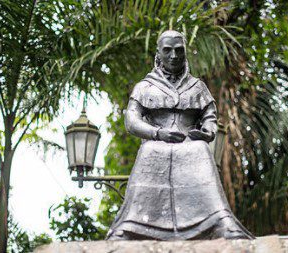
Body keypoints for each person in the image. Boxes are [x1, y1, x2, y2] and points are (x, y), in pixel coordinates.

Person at [107, 30, 253, 240]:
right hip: (156, 141)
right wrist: (157, 133)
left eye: (179, 50)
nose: (173, 56)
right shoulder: (144, 87)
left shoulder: (198, 86)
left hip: (191, 142)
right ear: (158, 54)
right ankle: (132, 226)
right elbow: (131, 120)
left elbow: (210, 117)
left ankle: (219, 222)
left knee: (199, 149)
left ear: (185, 53)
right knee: (150, 149)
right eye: (167, 51)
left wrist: (207, 132)